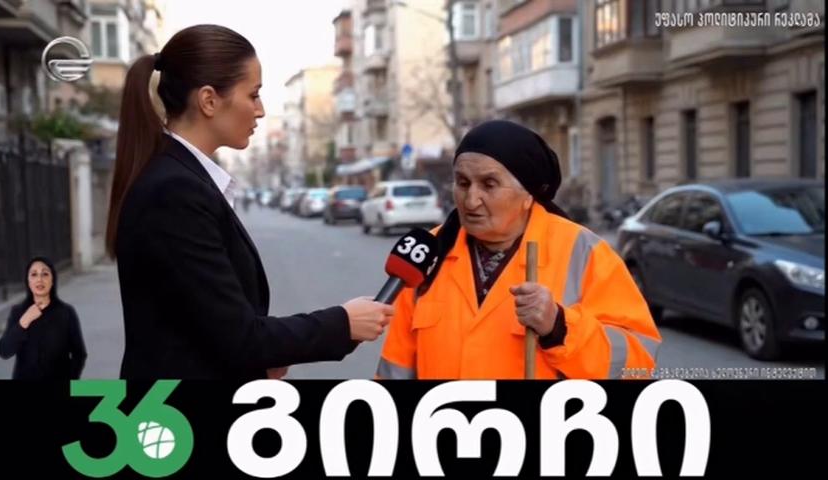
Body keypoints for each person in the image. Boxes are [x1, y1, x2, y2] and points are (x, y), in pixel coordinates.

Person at [106, 24, 393, 379]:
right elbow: (237, 336)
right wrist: (343, 323)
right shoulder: (174, 191)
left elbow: (201, 323)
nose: (260, 110)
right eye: (253, 95)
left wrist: (260, 361)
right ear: (209, 100)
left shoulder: (181, 178)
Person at [377, 120, 661, 380]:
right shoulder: (428, 254)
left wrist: (559, 327)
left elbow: (637, 365)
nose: (471, 200)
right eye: (463, 183)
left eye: (489, 184)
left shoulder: (584, 253)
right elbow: (395, 370)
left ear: (528, 195)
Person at [0, 257, 87, 380]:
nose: (39, 279)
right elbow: (4, 351)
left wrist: (71, 379)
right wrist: (24, 321)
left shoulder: (66, 312)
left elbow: (79, 354)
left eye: (45, 274)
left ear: (52, 280)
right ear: (28, 281)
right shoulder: (18, 312)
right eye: (34, 274)